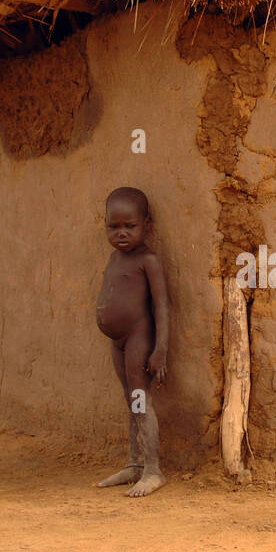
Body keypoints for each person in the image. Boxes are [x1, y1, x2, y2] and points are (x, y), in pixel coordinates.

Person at [95, 187, 170, 498]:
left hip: (140, 337)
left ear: (147, 225)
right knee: (130, 399)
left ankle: (153, 470)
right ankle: (134, 463)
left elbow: (162, 305)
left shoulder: (148, 260)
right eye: (114, 227)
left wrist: (161, 349)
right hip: (118, 342)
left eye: (130, 226)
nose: (121, 233)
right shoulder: (115, 258)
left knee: (141, 399)